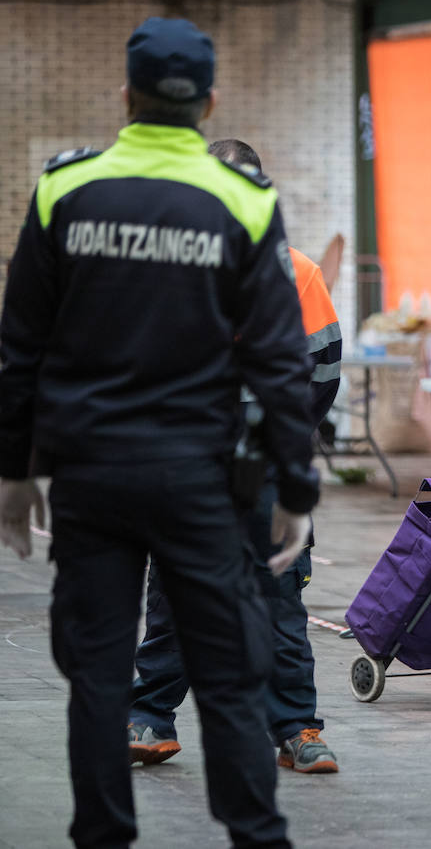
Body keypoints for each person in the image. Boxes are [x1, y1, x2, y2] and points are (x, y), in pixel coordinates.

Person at [0, 17, 317, 848]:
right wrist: (298, 486)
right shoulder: (244, 202)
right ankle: (257, 836)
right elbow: (282, 362)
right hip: (200, 480)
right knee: (229, 678)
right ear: (209, 104)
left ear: (125, 96)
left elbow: (22, 343)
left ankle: (104, 837)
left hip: (92, 477)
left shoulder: (66, 191)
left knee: (97, 677)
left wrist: (15, 470)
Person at [127, 139, 342, 775]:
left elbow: (321, 373)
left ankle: (296, 728)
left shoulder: (297, 273)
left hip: (267, 473)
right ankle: (150, 718)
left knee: (279, 601)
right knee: (173, 597)